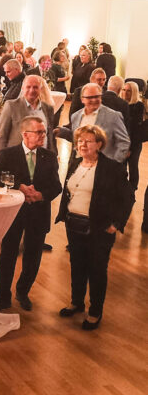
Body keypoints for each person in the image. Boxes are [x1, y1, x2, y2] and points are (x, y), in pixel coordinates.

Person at [56, 125, 134, 330]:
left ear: (99, 144)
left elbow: (128, 198)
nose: (82, 144)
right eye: (80, 141)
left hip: (99, 228)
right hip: (74, 224)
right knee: (77, 265)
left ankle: (95, 311)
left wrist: (116, 224)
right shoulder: (75, 163)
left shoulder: (112, 168)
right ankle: (77, 302)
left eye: (88, 141)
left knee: (97, 270)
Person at [0, 117, 62, 312]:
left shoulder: (49, 156)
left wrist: (40, 195)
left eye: (43, 132)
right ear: (25, 134)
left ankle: (23, 292)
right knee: (8, 255)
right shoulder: (8, 155)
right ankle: (3, 296)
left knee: (33, 256)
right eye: (38, 132)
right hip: (14, 213)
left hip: (38, 213)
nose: (42, 136)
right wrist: (18, 187)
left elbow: (56, 186)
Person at [61, 83, 130, 163]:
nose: (94, 100)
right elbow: (76, 141)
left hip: (103, 169)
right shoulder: (75, 116)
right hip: (80, 165)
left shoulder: (113, 116)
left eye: (97, 96)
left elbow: (124, 142)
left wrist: (114, 163)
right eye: (90, 97)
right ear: (82, 99)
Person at [0, 75, 57, 153]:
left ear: (40, 89)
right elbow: (2, 136)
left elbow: (50, 136)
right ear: (22, 88)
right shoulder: (11, 106)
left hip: (42, 158)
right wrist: (2, 159)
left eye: (35, 87)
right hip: (17, 157)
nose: (31, 90)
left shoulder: (48, 109)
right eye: (28, 87)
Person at [121, 81, 145, 190]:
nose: (125, 93)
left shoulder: (139, 106)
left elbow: (134, 129)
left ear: (134, 92)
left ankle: (132, 190)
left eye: (129, 91)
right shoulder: (120, 104)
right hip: (121, 142)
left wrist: (129, 148)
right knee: (121, 167)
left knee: (133, 167)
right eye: (124, 90)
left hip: (134, 143)